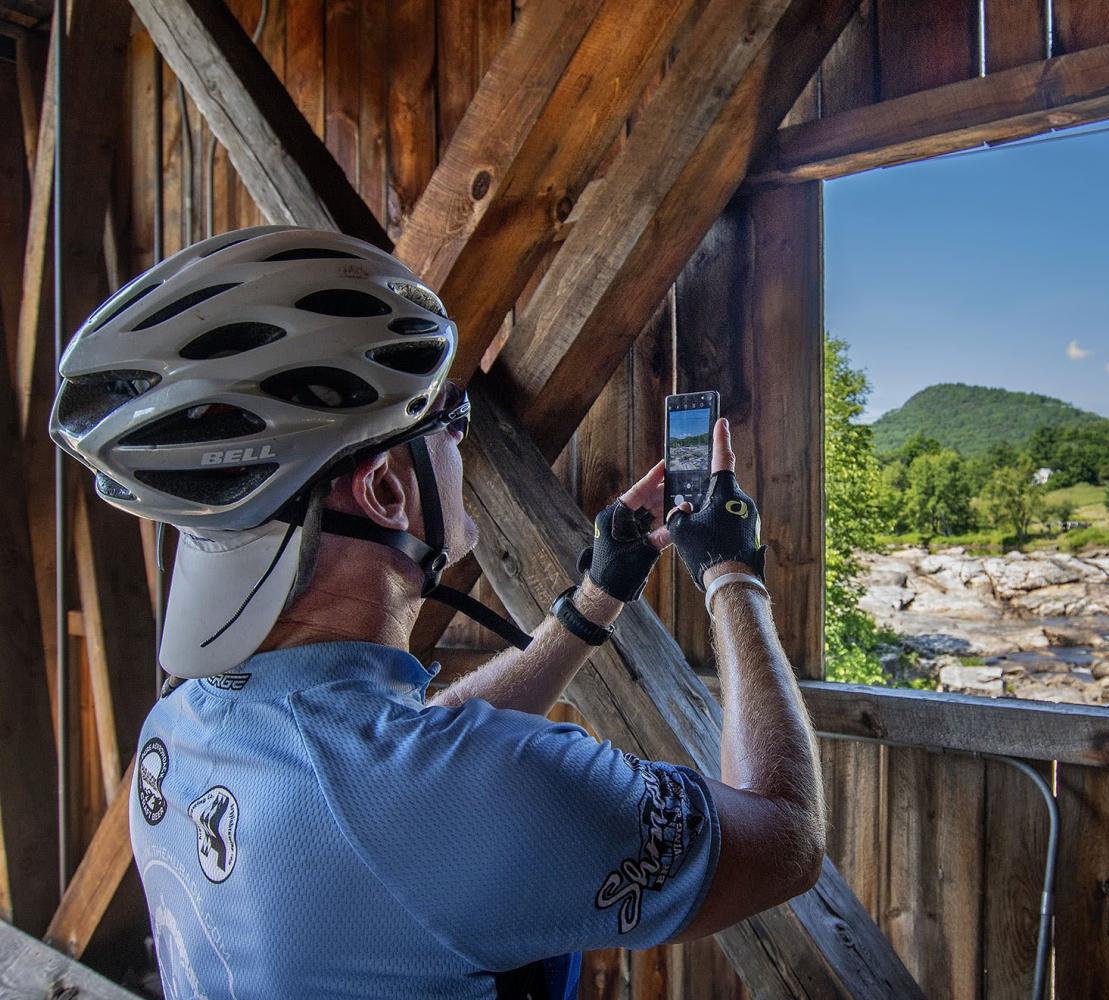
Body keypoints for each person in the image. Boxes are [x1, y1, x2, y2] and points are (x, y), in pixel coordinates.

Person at [51, 226, 824, 999]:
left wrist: (593, 601)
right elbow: (786, 836)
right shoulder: (483, 791)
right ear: (388, 489)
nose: (464, 442)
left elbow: (402, 771)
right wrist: (729, 572)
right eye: (452, 421)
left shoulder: (180, 727)